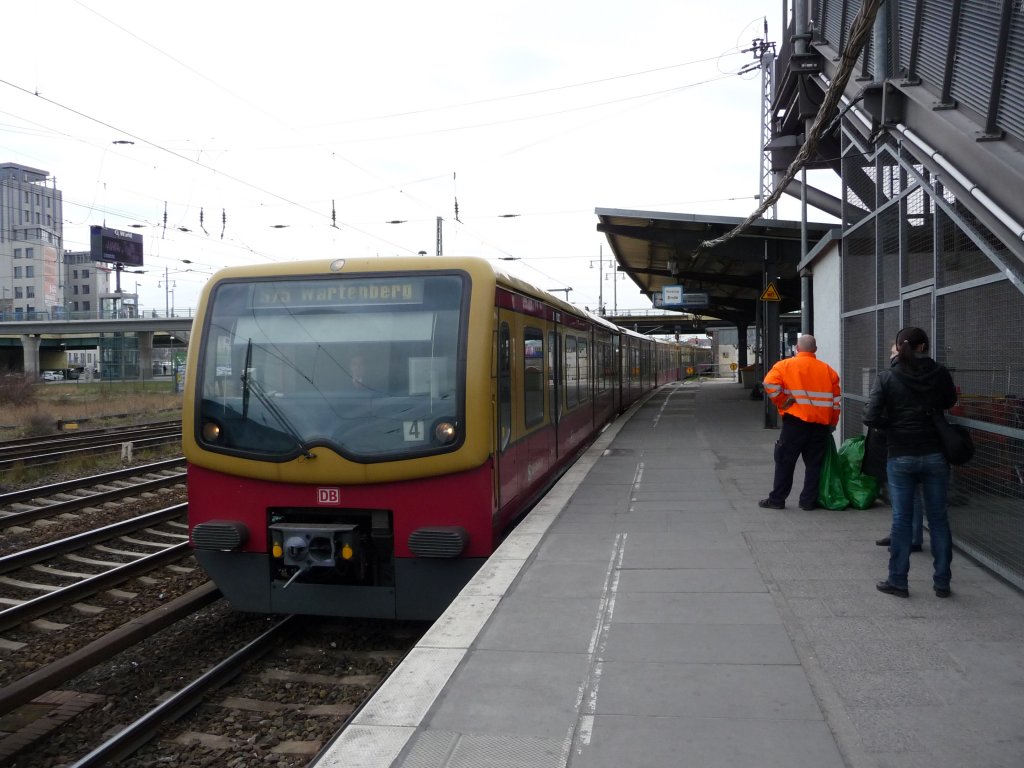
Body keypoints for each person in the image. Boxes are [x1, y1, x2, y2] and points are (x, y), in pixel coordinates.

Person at [864, 327, 958, 598]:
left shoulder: (887, 377)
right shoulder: (939, 373)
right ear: (924, 346)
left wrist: (892, 426)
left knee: (901, 520)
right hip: (934, 453)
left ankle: (898, 581)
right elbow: (950, 400)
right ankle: (942, 583)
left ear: (899, 347)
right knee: (939, 520)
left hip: (901, 455)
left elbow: (870, 417)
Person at [759, 334, 841, 511]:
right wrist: (832, 424)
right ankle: (808, 501)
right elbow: (836, 403)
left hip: (794, 424)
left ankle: (777, 499)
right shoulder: (829, 371)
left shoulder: (784, 366)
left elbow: (769, 383)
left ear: (797, 348)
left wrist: (784, 401)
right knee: (814, 465)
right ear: (816, 350)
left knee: (785, 461)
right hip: (820, 426)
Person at [871, 344, 924, 552]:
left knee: (903, 496)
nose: (891, 356)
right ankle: (909, 536)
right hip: (925, 444)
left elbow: (871, 414)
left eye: (893, 353)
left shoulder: (888, 378)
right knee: (914, 496)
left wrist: (885, 424)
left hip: (900, 445)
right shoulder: (929, 377)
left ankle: (905, 539)